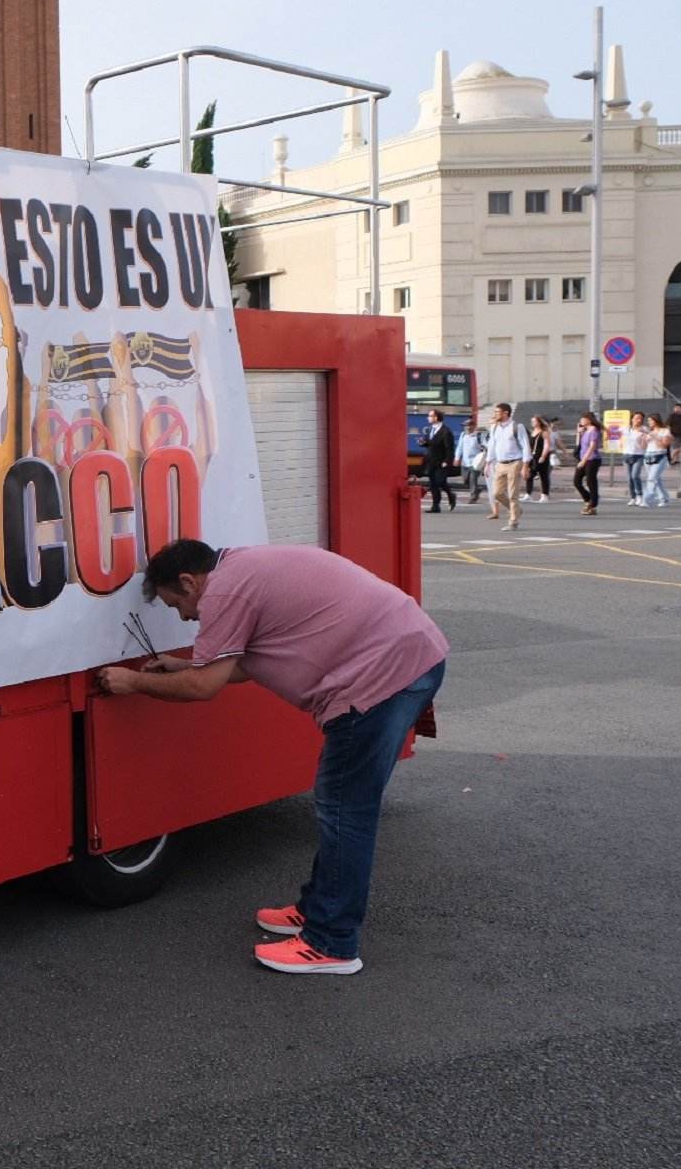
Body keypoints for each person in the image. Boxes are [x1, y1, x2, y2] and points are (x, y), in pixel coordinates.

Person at [96, 540, 447, 975]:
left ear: (190, 581)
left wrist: (133, 683)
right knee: (341, 807)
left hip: (379, 680)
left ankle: (332, 943)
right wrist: (182, 666)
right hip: (409, 658)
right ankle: (318, 907)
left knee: (344, 811)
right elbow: (242, 665)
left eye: (177, 604)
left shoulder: (225, 592)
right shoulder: (240, 569)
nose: (186, 617)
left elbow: (205, 688)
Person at [484, 402, 530, 530]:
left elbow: (525, 445)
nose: (495, 415)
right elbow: (492, 445)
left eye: (497, 412)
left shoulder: (516, 426)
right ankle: (516, 510)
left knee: (512, 494)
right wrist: (488, 463)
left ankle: (513, 522)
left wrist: (526, 464)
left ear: (506, 413)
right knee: (497, 493)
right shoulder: (494, 427)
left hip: (514, 462)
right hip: (500, 463)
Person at [421, 410, 457, 512]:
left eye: (430, 416)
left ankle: (451, 495)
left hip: (441, 461)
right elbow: (429, 443)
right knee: (433, 484)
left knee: (440, 481)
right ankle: (435, 506)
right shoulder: (430, 429)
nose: (428, 418)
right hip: (431, 460)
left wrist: (447, 460)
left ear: (436, 418)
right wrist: (423, 443)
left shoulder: (446, 431)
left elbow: (449, 448)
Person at [572, 412, 603, 515]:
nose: (581, 421)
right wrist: (579, 433)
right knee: (576, 481)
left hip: (592, 459)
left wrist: (584, 460)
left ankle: (593, 504)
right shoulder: (585, 431)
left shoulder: (594, 431)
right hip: (583, 458)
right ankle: (589, 498)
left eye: (583, 419)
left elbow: (592, 447)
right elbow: (579, 445)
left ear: (588, 420)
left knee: (590, 481)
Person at [642, 417, 674, 508]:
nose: (649, 422)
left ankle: (647, 499)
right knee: (657, 479)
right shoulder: (649, 432)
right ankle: (664, 498)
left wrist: (655, 437)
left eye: (651, 420)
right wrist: (643, 439)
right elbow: (644, 447)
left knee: (652, 478)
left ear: (656, 421)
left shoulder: (665, 431)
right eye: (648, 421)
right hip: (648, 456)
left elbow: (664, 445)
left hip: (660, 456)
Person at [455, 423, 487, 503]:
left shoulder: (478, 436)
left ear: (473, 426)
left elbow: (486, 445)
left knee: (473, 479)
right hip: (465, 462)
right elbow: (459, 447)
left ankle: (473, 497)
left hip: (475, 462)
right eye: (466, 426)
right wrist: (457, 458)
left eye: (469, 425)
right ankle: (477, 490)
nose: (467, 427)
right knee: (466, 480)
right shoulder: (463, 435)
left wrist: (485, 451)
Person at [525, 416, 554, 502]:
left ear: (539, 422)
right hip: (532, 456)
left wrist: (543, 456)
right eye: (532, 421)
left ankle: (545, 495)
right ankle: (528, 494)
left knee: (543, 475)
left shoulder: (544, 432)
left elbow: (547, 445)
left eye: (534, 421)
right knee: (529, 474)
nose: (532, 422)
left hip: (541, 456)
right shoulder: (533, 432)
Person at [622, 412, 647, 504]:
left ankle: (640, 495)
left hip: (638, 455)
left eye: (640, 418)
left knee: (635, 476)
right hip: (626, 455)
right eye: (636, 418)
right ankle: (633, 497)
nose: (638, 420)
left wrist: (644, 435)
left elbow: (646, 444)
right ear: (632, 419)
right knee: (629, 478)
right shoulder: (626, 429)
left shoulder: (644, 429)